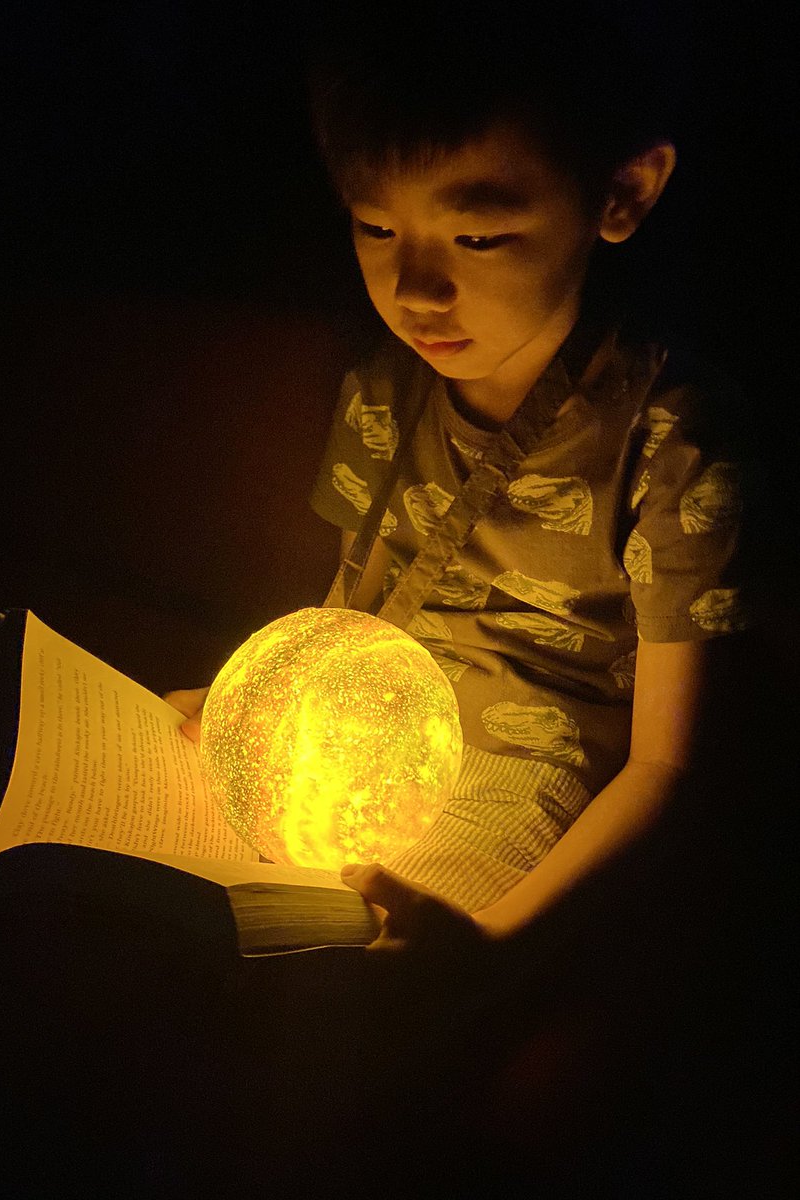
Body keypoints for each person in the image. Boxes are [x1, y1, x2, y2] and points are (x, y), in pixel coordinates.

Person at [165, 4, 755, 960]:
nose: (415, 291)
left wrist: (489, 945)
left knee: (336, 986)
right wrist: (255, 706)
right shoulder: (385, 389)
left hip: (533, 784)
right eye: (375, 226)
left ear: (623, 193)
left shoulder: (670, 438)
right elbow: (352, 606)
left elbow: (667, 767)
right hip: (367, 747)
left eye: (476, 238)